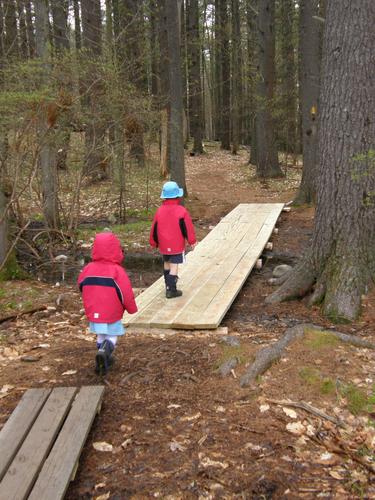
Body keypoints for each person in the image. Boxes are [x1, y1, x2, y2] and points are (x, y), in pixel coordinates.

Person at [78, 232, 138, 375]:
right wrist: (131, 309)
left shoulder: (88, 268)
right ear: (115, 249)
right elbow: (125, 293)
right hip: (112, 311)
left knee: (100, 334)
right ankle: (105, 353)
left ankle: (102, 354)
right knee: (112, 335)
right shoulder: (117, 271)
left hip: (94, 309)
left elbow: (81, 285)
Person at [150, 181, 197, 298]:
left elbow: (154, 228)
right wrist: (192, 241)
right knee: (174, 265)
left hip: (163, 245)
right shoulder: (181, 211)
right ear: (177, 196)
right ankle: (171, 290)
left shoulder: (159, 211)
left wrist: (153, 242)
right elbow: (188, 228)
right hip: (176, 245)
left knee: (166, 263)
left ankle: (167, 286)